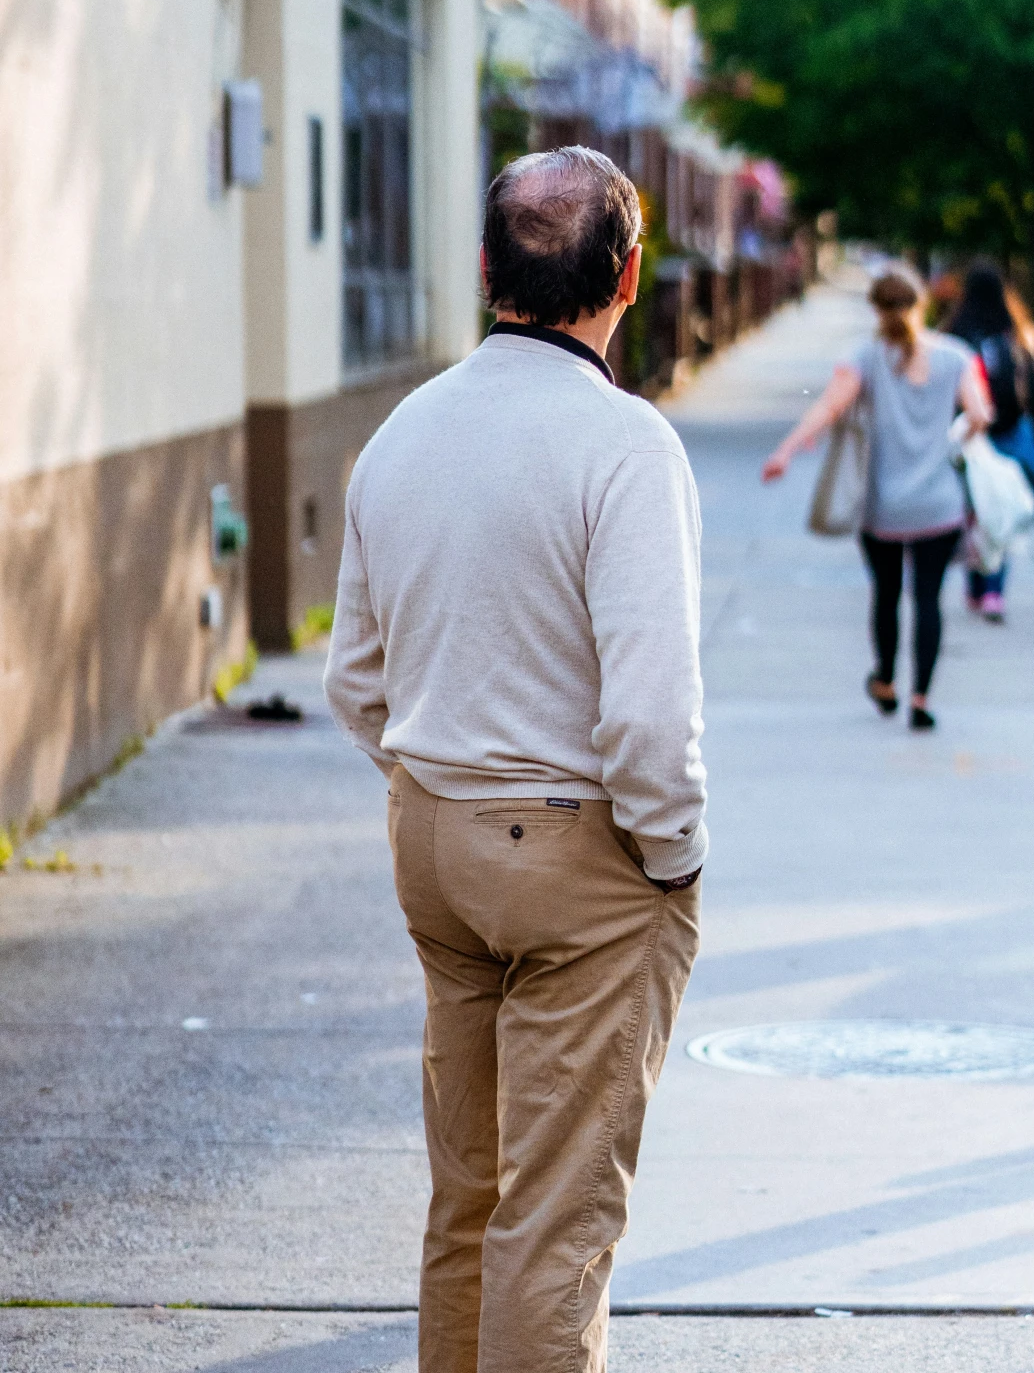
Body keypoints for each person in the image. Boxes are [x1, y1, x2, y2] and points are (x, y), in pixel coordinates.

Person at [325, 147, 706, 1373]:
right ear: (630, 276)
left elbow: (352, 678)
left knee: (472, 1198)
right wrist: (674, 855)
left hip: (434, 841)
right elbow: (649, 720)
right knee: (556, 1221)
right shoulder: (623, 445)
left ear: (487, 269)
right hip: (574, 860)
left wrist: (433, 781)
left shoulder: (400, 434)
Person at [762, 266, 990, 731]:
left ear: (876, 310)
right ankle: (922, 698)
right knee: (928, 600)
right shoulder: (956, 357)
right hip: (939, 506)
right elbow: (981, 413)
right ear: (920, 303)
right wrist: (954, 440)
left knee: (886, 596)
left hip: (883, 507)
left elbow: (828, 407)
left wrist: (785, 452)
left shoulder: (863, 358)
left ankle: (885, 682)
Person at [947, 259, 1034, 622]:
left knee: (975, 510)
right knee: (1001, 511)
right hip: (1009, 432)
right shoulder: (1016, 336)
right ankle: (993, 591)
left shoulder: (954, 335)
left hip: (970, 436)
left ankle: (975, 585)